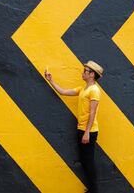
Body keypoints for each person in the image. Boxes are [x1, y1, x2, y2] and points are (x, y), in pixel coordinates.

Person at [44, 61, 104, 193]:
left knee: (88, 161)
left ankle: (94, 190)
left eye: (85, 71)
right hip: (82, 129)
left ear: (92, 74)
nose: (83, 73)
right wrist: (51, 80)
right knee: (84, 161)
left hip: (89, 131)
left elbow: (92, 113)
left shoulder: (94, 91)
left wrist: (87, 132)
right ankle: (93, 189)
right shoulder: (83, 89)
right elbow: (63, 92)